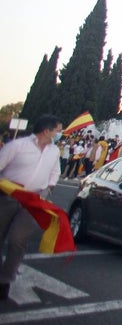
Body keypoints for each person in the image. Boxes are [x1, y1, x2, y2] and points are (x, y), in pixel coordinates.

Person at [0, 115, 63, 301]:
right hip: (9, 196)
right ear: (47, 131)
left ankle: (5, 281)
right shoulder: (18, 146)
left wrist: (49, 187)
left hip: (34, 200)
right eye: (57, 130)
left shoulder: (54, 151)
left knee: (18, 239)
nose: (60, 134)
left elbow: (55, 172)